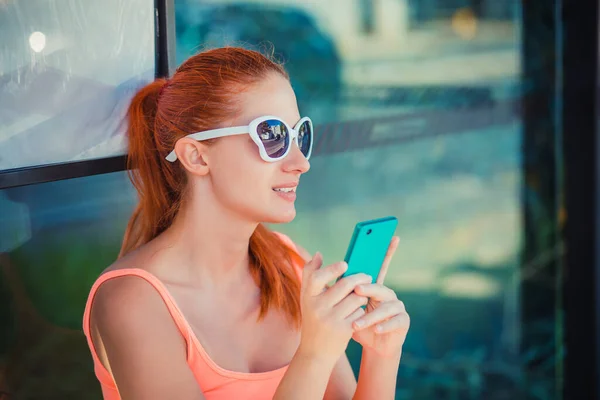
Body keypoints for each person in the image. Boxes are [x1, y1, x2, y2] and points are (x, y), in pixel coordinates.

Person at [82, 47, 410, 400]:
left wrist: (381, 355)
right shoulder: (132, 302)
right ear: (196, 155)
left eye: (300, 135)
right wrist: (313, 355)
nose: (300, 162)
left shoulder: (288, 265)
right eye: (272, 136)